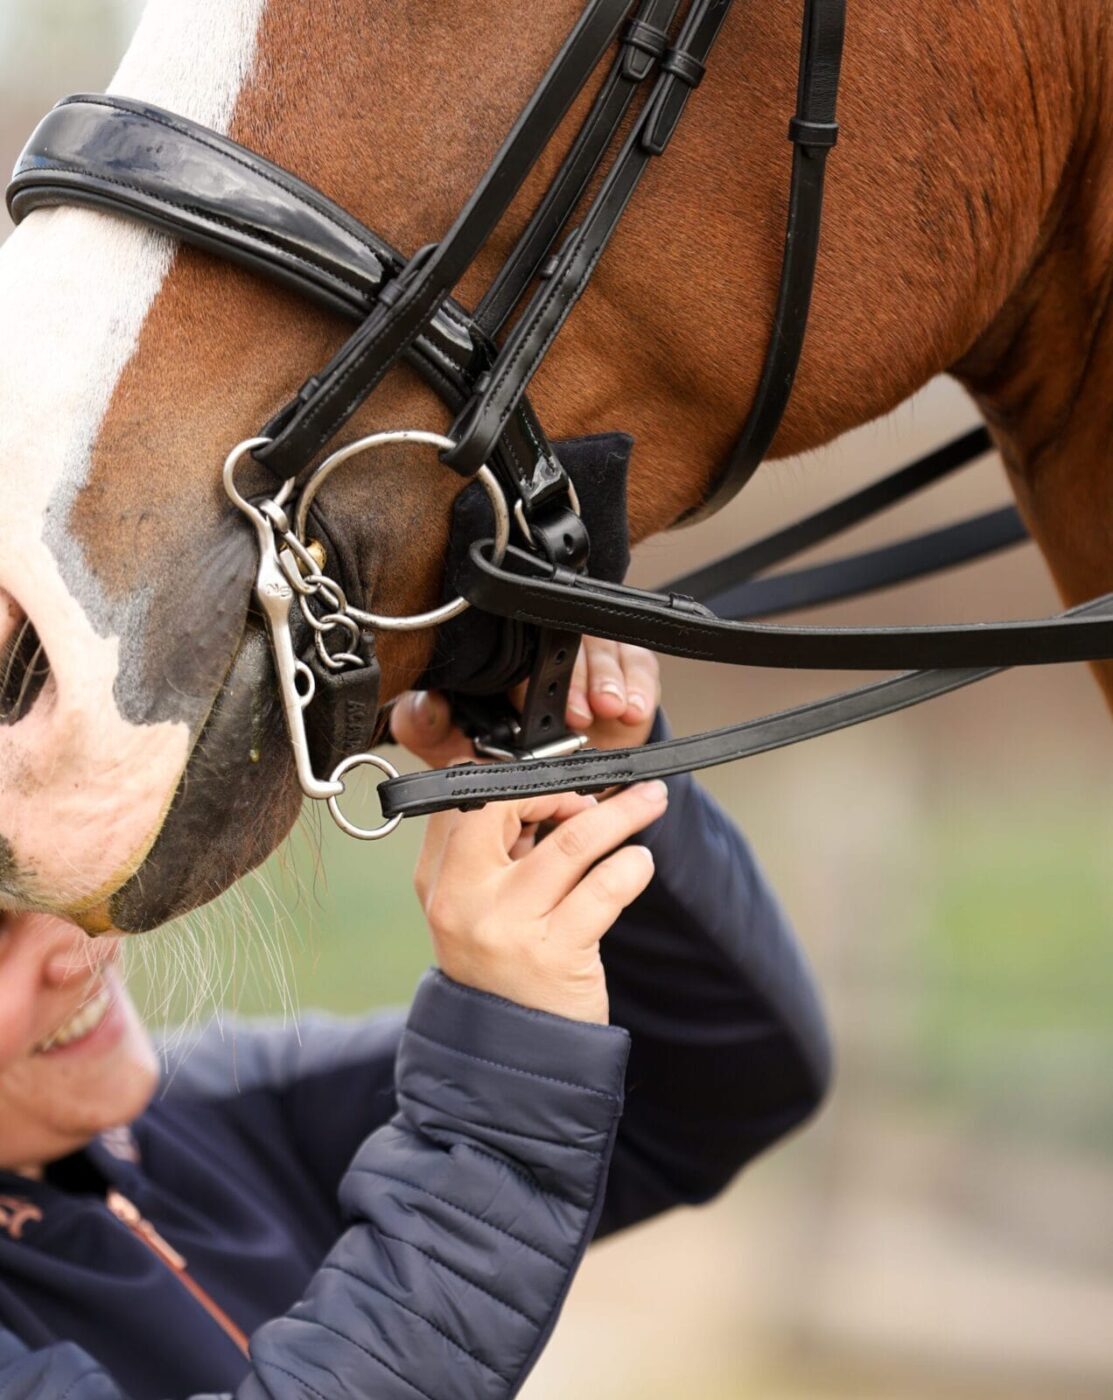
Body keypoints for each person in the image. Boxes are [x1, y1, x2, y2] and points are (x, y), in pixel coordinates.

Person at [0, 639, 831, 1399]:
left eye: (45, 881)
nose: (83, 945)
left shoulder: (211, 1108)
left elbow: (722, 1088)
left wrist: (582, 779)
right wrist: (511, 1049)